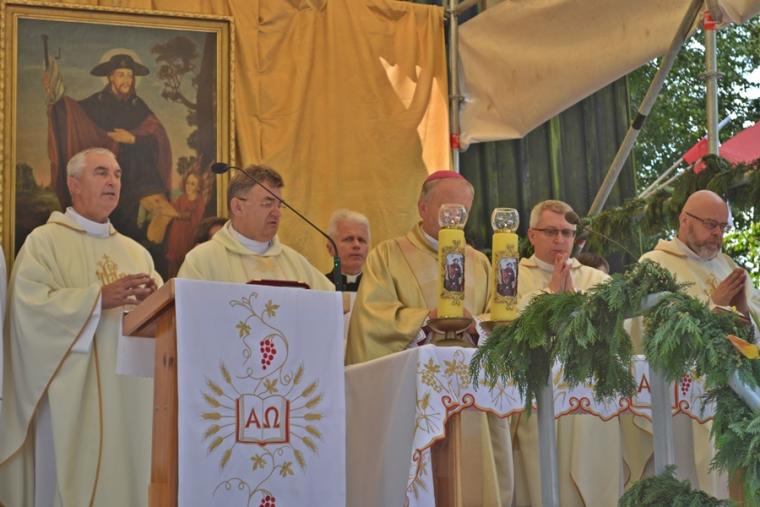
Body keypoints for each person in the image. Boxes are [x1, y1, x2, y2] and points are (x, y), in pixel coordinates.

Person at [0, 147, 161, 506]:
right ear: (73, 184)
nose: (113, 181)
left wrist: (154, 304)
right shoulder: (44, 242)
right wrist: (97, 299)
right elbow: (29, 310)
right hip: (69, 394)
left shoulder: (137, 253)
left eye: (117, 174)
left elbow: (159, 319)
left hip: (129, 397)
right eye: (101, 172)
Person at [346, 170, 512, 506]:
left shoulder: (479, 262)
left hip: (471, 390)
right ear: (422, 208)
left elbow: (495, 317)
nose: (456, 219)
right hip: (414, 389)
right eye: (448, 210)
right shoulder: (388, 255)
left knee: (472, 480)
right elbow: (372, 317)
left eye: (463, 211)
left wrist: (475, 327)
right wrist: (424, 319)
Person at [629, 189, 760, 497]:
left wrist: (742, 313)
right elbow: (647, 332)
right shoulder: (654, 264)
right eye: (710, 224)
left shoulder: (726, 265)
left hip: (735, 400)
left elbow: (752, 331)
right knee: (691, 482)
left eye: (723, 226)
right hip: (682, 401)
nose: (718, 234)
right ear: (684, 220)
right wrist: (712, 306)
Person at [513, 199, 625, 507]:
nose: (560, 240)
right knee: (542, 481)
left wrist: (577, 308)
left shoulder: (597, 280)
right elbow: (504, 327)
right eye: (551, 232)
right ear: (532, 235)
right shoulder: (513, 276)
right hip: (535, 399)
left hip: (590, 403)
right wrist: (549, 295)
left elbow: (616, 335)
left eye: (567, 233)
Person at [45, 52, 176, 245]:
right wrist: (56, 101)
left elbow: (157, 136)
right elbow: (73, 115)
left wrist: (134, 139)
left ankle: (149, 254)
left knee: (164, 213)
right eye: (121, 75)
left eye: (130, 75)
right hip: (111, 179)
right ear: (110, 77)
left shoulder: (138, 105)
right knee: (118, 227)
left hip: (140, 175)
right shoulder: (96, 103)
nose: (127, 80)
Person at [178, 165, 333, 290]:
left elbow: (334, 305)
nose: (277, 213)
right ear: (238, 207)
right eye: (267, 203)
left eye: (279, 205)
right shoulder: (202, 261)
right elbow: (187, 314)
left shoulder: (296, 263)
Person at [165, 171, 207, 277]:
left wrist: (176, 214)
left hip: (188, 236)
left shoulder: (199, 201)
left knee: (185, 264)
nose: (188, 186)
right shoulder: (181, 198)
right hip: (177, 236)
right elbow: (172, 209)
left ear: (198, 187)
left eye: (192, 184)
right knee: (174, 265)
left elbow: (192, 217)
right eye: (187, 183)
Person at [324, 209, 371, 292]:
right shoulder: (319, 286)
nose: (357, 245)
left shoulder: (379, 290)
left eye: (361, 240)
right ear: (330, 248)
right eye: (348, 239)